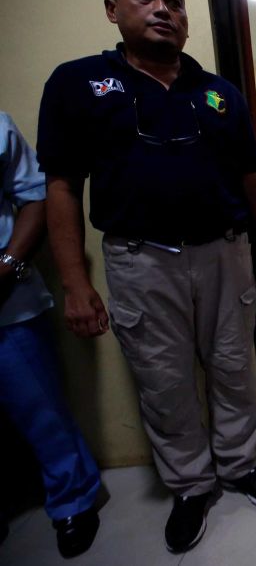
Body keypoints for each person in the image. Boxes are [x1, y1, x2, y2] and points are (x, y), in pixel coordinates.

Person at [36, 0, 256, 554]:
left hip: (225, 253)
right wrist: (75, 283)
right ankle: (191, 486)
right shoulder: (79, 84)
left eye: (173, 2)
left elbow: (252, 178)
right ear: (112, 10)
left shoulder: (220, 93)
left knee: (232, 364)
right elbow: (62, 187)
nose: (162, 10)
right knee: (164, 380)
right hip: (140, 261)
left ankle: (237, 463)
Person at [0, 112, 102, 558]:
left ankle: (73, 501)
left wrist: (7, 266)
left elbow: (36, 197)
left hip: (6, 304)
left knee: (40, 409)